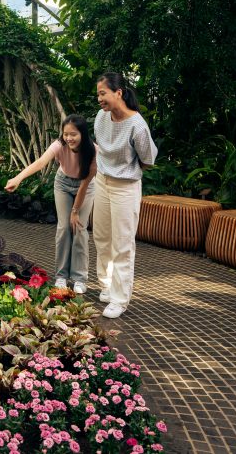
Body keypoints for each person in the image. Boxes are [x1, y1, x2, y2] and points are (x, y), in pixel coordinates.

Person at [5, 114, 96, 294]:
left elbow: (85, 184)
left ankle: (79, 278)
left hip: (85, 186)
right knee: (63, 228)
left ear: (83, 134)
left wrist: (75, 211)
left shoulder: (93, 151)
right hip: (62, 183)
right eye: (65, 134)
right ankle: (61, 276)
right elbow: (40, 162)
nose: (69, 138)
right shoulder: (59, 145)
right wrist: (18, 177)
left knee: (79, 229)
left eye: (73, 134)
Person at [93, 72, 157, 319]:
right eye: (98, 94)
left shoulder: (137, 124)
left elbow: (148, 160)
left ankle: (120, 299)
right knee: (101, 236)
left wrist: (126, 171)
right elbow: (102, 148)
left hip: (125, 187)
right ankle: (108, 284)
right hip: (102, 181)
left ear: (118, 93)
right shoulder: (101, 117)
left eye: (103, 93)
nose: (99, 99)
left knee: (122, 243)